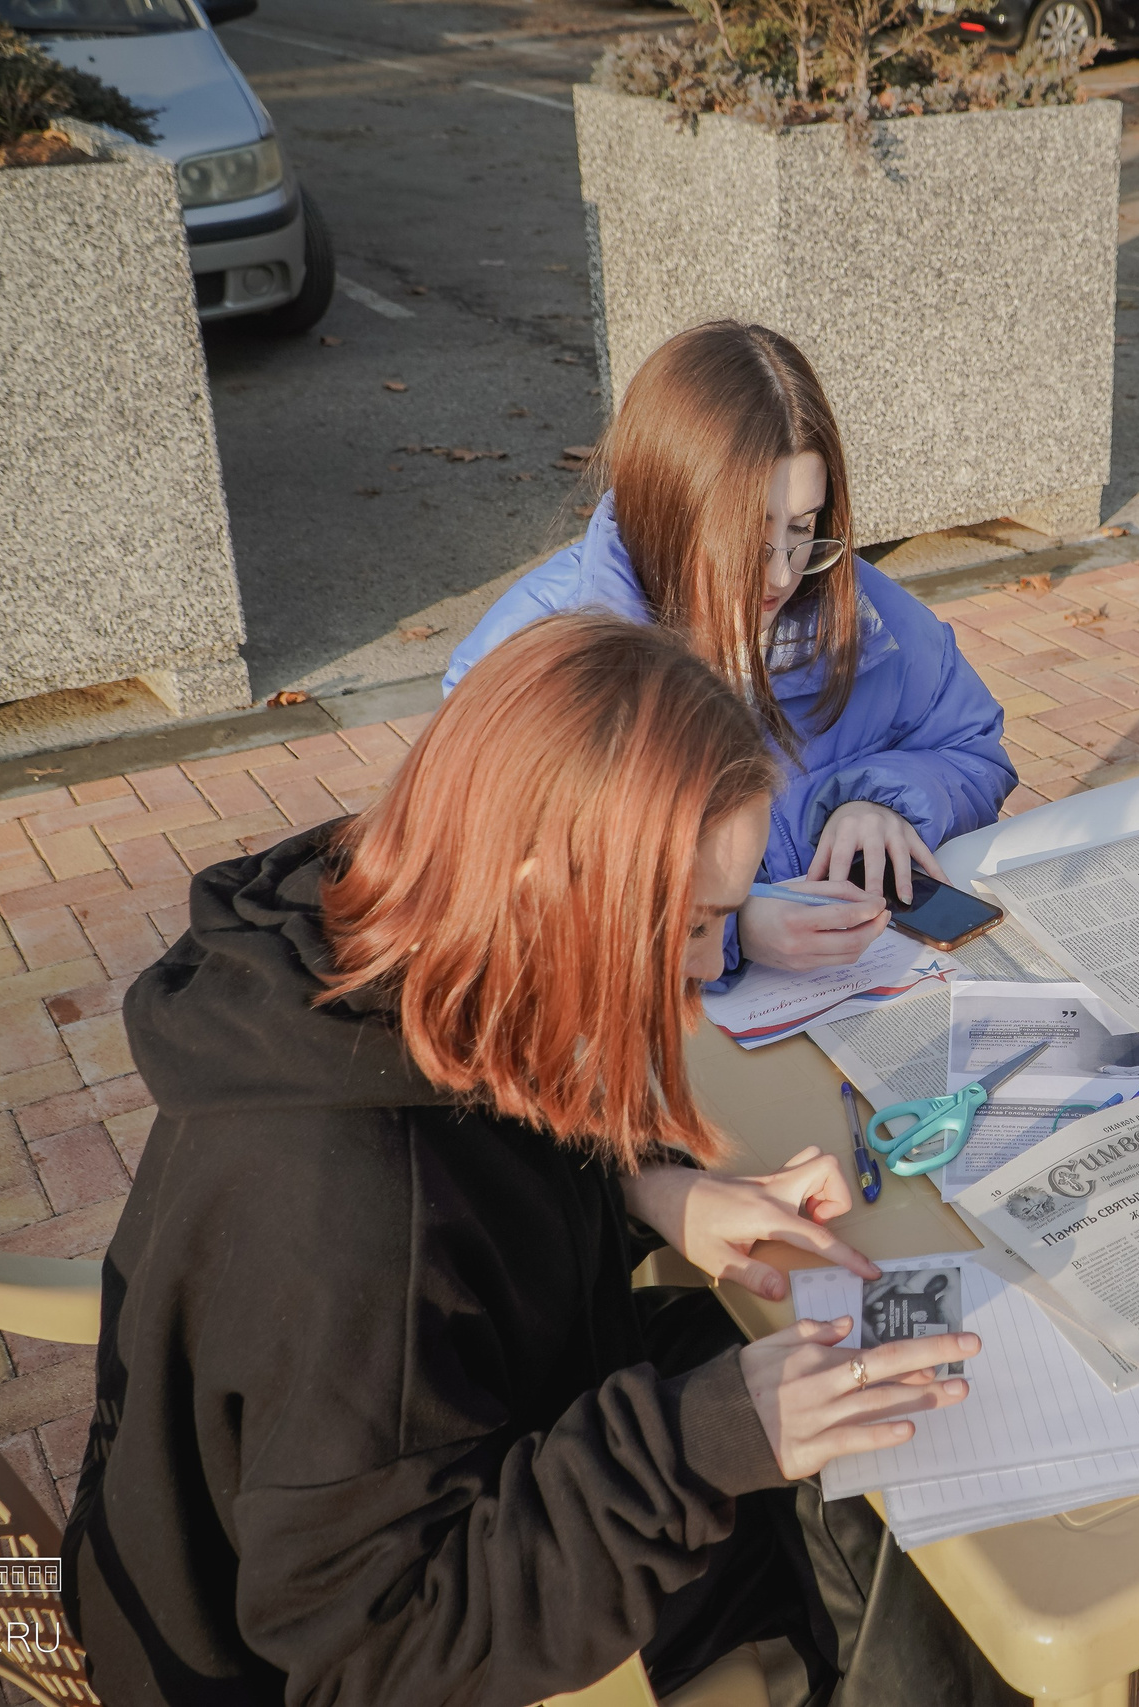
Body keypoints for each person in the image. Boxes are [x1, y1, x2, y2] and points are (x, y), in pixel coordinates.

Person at [66, 613, 1018, 1707]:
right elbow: (373, 1657)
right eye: (700, 923)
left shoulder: (377, 940)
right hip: (326, 1645)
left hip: (459, 1441)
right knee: (876, 1492)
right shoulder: (358, 1224)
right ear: (534, 895)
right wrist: (703, 1440)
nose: (715, 967)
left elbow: (488, 1143)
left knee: (806, 1370)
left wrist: (650, 1188)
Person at [444, 321, 1016, 975]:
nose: (781, 575)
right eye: (750, 532)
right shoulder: (529, 658)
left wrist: (887, 797)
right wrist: (724, 926)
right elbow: (503, 901)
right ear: (671, 504)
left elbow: (974, 751)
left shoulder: (868, 612)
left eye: (804, 527)